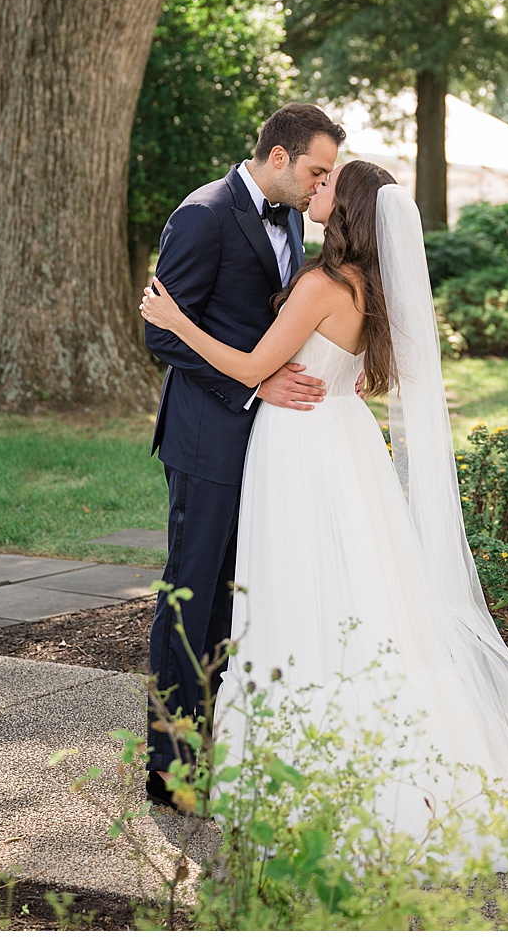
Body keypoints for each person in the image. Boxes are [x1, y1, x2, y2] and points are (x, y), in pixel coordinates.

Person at [140, 161, 508, 833]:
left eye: (325, 187)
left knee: (296, 584)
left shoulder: (322, 285)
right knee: (355, 590)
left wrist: (178, 321)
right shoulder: (371, 288)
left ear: (343, 209)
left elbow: (253, 367)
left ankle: (304, 749)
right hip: (346, 440)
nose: (313, 190)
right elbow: (363, 376)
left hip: (298, 445)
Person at [142, 104, 344, 808]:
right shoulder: (202, 214)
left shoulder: (288, 214)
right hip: (205, 434)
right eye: (318, 170)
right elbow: (163, 335)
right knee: (190, 594)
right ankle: (169, 766)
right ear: (281, 157)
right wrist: (255, 381)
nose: (325, 184)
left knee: (235, 599)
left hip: (264, 438)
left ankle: (216, 740)